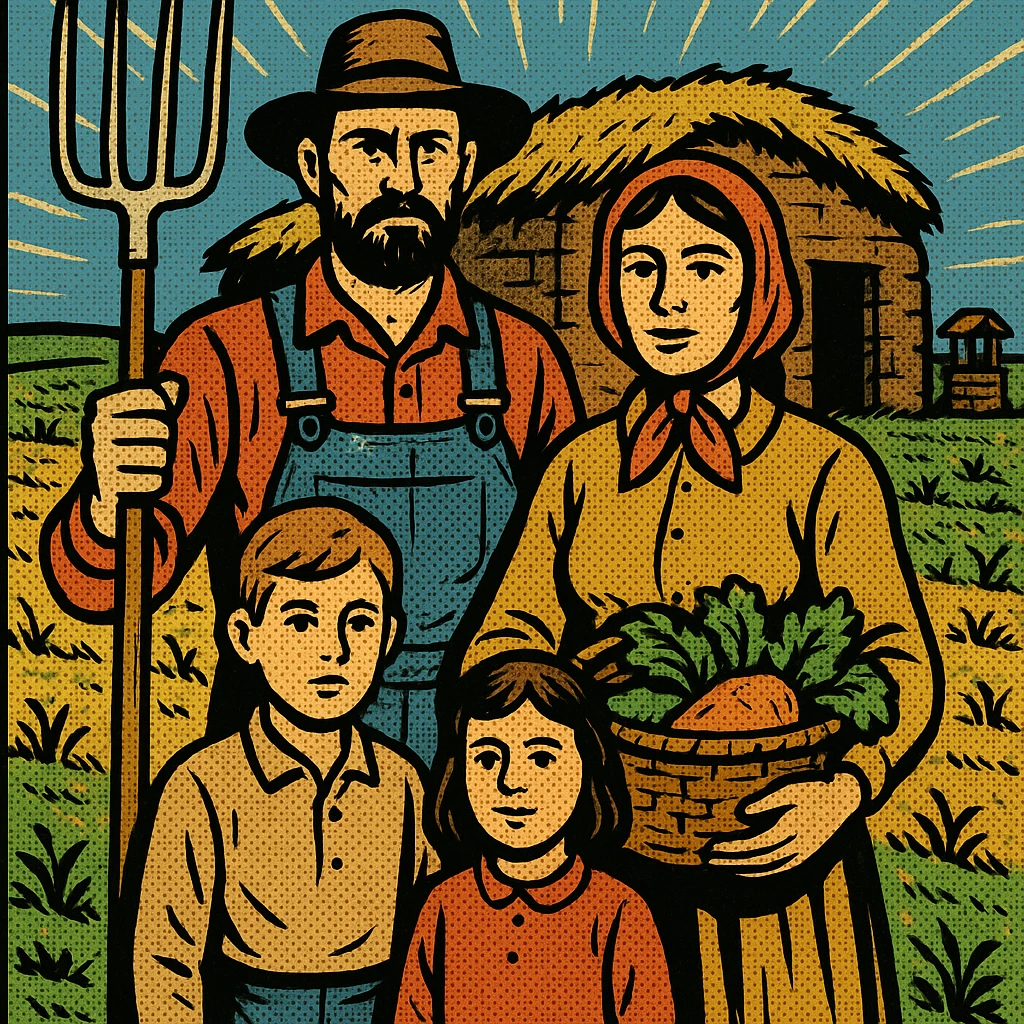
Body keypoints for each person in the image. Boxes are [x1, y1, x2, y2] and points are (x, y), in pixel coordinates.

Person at [459, 156, 943, 1021]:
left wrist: (845, 789)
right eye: (642, 268)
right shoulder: (581, 469)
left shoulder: (827, 470)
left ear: (757, 289)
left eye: (704, 268)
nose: (669, 299)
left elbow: (900, 663)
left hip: (784, 876)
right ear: (610, 290)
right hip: (610, 865)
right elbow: (503, 640)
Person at [41, 11, 581, 764]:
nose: (402, 178)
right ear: (314, 166)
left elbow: (576, 580)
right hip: (279, 792)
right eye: (370, 147)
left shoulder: (526, 365)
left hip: (477, 790)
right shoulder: (225, 355)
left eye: (429, 148)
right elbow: (112, 587)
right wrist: (107, 498)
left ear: (465, 165)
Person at [133, 500, 437, 1023]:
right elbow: (165, 957)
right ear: (246, 638)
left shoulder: (404, 782)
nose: (334, 650)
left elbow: (436, 940)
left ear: (388, 637)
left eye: (358, 622)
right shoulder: (202, 784)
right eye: (301, 622)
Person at [393, 656, 675, 1024]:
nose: (511, 781)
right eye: (488, 758)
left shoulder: (620, 911)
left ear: (587, 765)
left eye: (542, 758)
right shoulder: (444, 905)